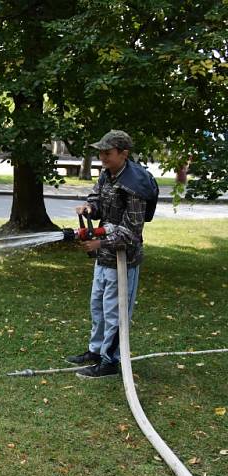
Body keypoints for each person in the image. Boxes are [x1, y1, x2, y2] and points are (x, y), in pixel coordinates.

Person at [67, 130, 150, 379]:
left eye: (108, 152)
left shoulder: (135, 186)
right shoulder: (106, 175)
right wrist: (89, 208)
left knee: (115, 311)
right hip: (104, 258)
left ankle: (110, 361)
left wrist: (99, 243)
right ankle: (95, 351)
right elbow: (98, 201)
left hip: (123, 260)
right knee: (98, 307)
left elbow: (131, 232)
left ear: (124, 153)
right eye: (101, 152)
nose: (102, 156)